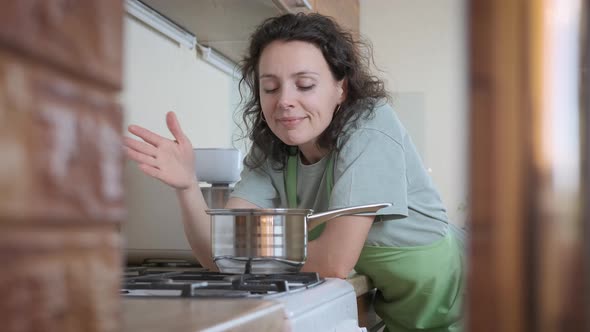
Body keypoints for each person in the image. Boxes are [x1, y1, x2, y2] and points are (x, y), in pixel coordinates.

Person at [124, 12, 465, 332]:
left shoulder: (370, 125)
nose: (284, 100)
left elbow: (333, 261)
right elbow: (221, 252)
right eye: (270, 87)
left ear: (340, 89)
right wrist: (186, 187)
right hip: (406, 316)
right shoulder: (274, 146)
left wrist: (244, 256)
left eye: (304, 84)